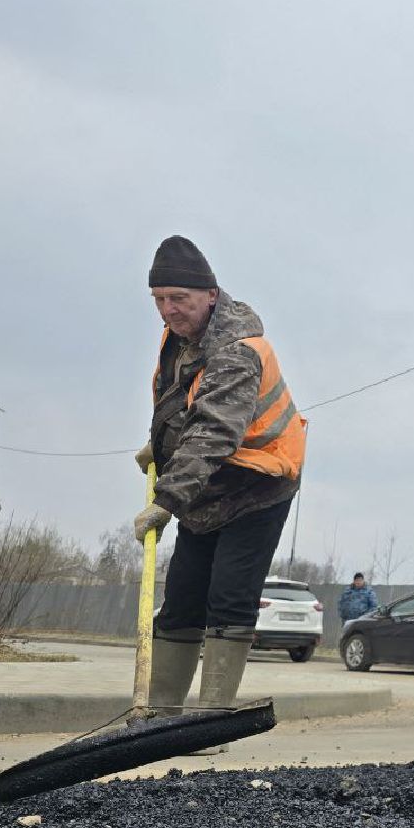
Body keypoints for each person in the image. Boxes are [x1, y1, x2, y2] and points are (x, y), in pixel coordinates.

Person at [132, 235, 306, 720]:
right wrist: (162, 445)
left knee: (228, 596)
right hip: (207, 487)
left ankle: (210, 720)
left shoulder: (237, 350)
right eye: (160, 301)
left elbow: (214, 431)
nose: (168, 311)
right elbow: (182, 402)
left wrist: (165, 500)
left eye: (178, 300)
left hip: (258, 483)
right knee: (183, 595)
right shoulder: (179, 340)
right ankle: (160, 716)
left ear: (210, 294)